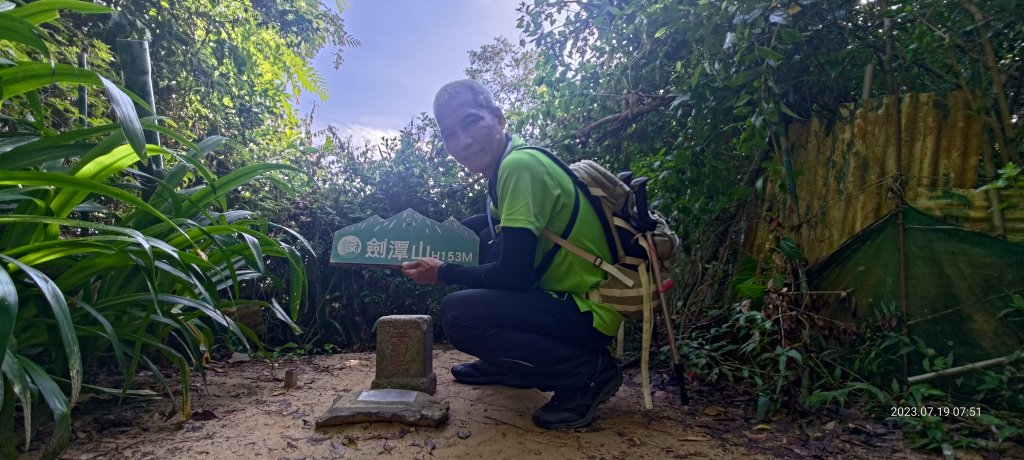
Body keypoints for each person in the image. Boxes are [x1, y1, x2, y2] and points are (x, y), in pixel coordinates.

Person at [400, 79, 623, 429]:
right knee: (490, 239)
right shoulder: (504, 172)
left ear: (498, 118)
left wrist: (442, 272)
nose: (463, 142)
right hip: (560, 301)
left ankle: (587, 373)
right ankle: (508, 364)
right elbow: (486, 231)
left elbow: (512, 276)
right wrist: (427, 235)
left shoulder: (519, 167)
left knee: (459, 315)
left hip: (587, 312)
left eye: (471, 122)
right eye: (449, 134)